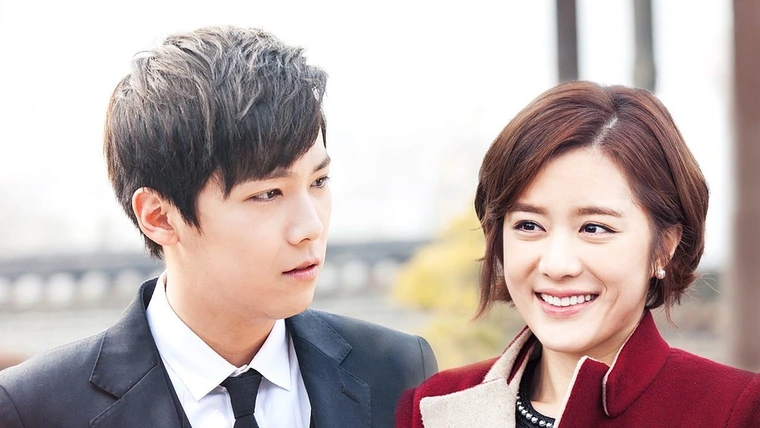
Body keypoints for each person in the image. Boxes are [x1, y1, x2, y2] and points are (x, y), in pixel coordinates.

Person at [0, 26, 437, 428]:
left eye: (318, 182)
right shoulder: (35, 407)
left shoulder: (397, 369)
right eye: (268, 193)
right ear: (159, 216)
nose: (310, 227)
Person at [396, 80, 760, 427]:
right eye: (529, 225)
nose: (557, 265)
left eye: (594, 228)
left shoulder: (733, 410)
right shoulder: (437, 404)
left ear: (664, 247)